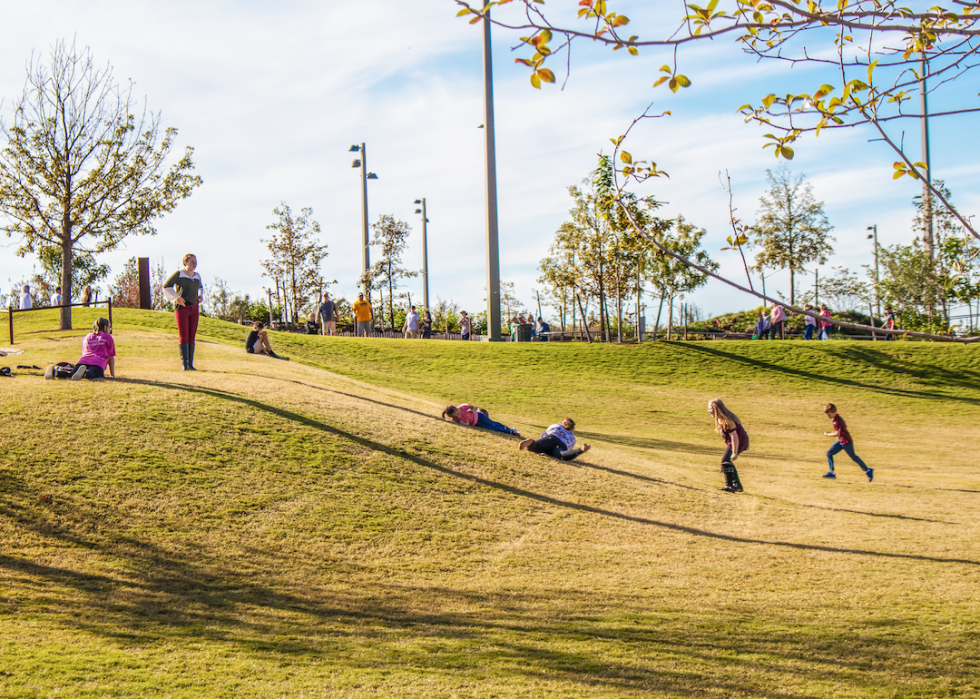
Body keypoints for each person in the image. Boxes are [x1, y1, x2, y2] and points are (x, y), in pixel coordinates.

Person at [163, 253, 204, 371]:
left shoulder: (197, 276)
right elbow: (166, 286)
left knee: (192, 335)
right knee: (184, 335)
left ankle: (191, 364)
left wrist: (200, 296)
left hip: (194, 307)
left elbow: (200, 288)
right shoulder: (179, 274)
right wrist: (176, 297)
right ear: (185, 262)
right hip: (182, 308)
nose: (194, 264)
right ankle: (184, 364)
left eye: (195, 262)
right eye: (192, 262)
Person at [44, 317, 116, 381]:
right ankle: (85, 372)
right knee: (91, 374)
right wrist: (112, 374)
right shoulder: (107, 337)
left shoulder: (88, 336)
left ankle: (55, 372)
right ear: (105, 326)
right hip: (98, 363)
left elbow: (84, 352)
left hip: (83, 361)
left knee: (72, 374)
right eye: (109, 327)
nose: (110, 329)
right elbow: (111, 358)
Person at [822, 403, 873, 482]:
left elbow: (837, 433)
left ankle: (868, 470)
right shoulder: (835, 419)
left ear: (834, 412)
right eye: (827, 415)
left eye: (829, 414)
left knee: (854, 457)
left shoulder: (838, 420)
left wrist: (827, 434)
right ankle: (831, 472)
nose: (828, 416)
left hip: (846, 442)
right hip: (841, 440)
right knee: (829, 453)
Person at [708, 398, 749, 492]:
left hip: (739, 442)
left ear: (716, 409)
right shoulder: (720, 419)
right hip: (736, 442)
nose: (708, 411)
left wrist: (734, 453)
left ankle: (731, 485)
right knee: (726, 462)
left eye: (710, 408)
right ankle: (735, 484)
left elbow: (734, 437)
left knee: (725, 461)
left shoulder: (725, 421)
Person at [518, 418, 590, 461]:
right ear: (572, 428)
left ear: (562, 422)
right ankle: (581, 450)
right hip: (561, 446)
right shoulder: (572, 437)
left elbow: (545, 434)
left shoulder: (557, 426)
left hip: (551, 438)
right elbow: (569, 448)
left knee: (535, 447)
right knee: (562, 455)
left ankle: (531, 442)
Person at [441, 403, 521, 437]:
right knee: (492, 429)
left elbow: (475, 407)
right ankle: (510, 432)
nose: (458, 417)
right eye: (455, 417)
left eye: (458, 414)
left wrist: (473, 410)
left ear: (457, 408)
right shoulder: (455, 420)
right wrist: (464, 424)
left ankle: (509, 429)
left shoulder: (463, 407)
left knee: (493, 424)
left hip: (479, 416)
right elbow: (467, 425)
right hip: (477, 424)